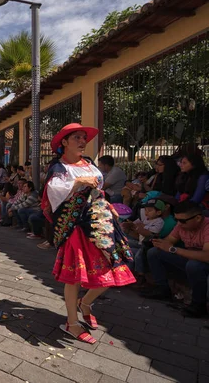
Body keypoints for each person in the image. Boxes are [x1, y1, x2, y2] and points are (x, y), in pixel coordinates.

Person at [43, 123, 135, 344]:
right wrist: (76, 183)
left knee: (111, 268)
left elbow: (98, 190)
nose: (83, 141)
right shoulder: (59, 168)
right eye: (77, 137)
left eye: (84, 137)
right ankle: (71, 323)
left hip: (100, 222)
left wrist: (109, 206)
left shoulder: (90, 164)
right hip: (76, 226)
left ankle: (85, 303)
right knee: (75, 276)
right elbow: (53, 194)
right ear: (64, 142)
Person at [143, 201, 209, 317]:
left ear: (198, 218)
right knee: (154, 252)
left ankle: (199, 304)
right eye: (177, 219)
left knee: (194, 265)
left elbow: (206, 256)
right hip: (188, 260)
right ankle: (162, 289)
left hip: (202, 265)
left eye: (183, 221)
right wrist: (157, 242)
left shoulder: (207, 227)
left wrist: (173, 249)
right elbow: (169, 242)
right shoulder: (181, 225)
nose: (179, 223)